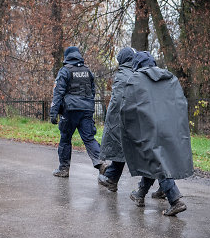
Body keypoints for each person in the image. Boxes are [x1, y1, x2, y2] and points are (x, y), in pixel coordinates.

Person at [120, 51, 194, 216]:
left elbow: (126, 107)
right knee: (155, 158)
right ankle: (140, 194)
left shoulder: (136, 79)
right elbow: (180, 102)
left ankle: (175, 199)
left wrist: (128, 126)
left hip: (148, 127)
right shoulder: (170, 78)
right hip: (170, 126)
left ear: (137, 65)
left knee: (155, 159)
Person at [49, 46, 107, 177]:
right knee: (89, 138)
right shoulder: (87, 71)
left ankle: (63, 169)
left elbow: (58, 92)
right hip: (86, 109)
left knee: (65, 139)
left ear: (67, 57)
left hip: (70, 111)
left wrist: (54, 112)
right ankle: (101, 163)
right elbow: (92, 91)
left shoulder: (65, 71)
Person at [98, 47, 135, 192]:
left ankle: (166, 186)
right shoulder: (137, 71)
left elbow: (118, 101)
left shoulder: (122, 74)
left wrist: (111, 119)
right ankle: (112, 178)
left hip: (126, 118)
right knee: (125, 148)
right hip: (137, 117)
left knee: (125, 147)